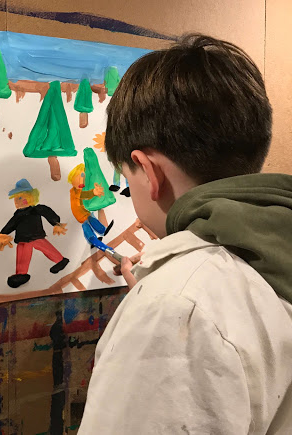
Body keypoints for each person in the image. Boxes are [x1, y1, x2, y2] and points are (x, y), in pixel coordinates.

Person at [79, 34, 292, 434]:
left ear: (148, 171)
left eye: (126, 176)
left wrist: (166, 302)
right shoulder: (275, 248)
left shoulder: (178, 306)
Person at [0, 179, 69, 288]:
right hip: (22, 238)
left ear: (31, 197)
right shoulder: (18, 214)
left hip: (35, 236)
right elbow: (12, 224)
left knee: (46, 248)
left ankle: (60, 260)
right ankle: (21, 274)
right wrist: (3, 233)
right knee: (22, 253)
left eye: (20, 198)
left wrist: (56, 223)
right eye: (15, 199)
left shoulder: (36, 209)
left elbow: (47, 212)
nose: (16, 201)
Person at [68, 164, 113, 250]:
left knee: (91, 219)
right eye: (79, 177)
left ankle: (102, 231)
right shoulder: (75, 192)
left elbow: (84, 195)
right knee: (87, 227)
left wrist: (93, 192)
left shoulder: (77, 190)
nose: (82, 181)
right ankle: (94, 240)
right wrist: (93, 192)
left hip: (85, 213)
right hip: (81, 216)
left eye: (83, 178)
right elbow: (83, 195)